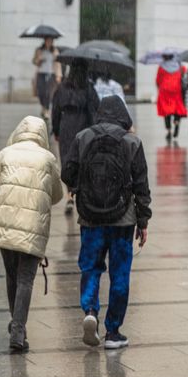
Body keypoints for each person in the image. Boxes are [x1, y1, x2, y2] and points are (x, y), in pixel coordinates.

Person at [62, 96, 152, 350]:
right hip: (123, 219)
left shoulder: (83, 137)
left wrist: (81, 187)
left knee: (91, 267)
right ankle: (113, 332)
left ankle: (90, 309)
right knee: (119, 274)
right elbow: (142, 185)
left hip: (90, 218)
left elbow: (66, 173)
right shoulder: (132, 142)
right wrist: (143, 220)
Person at [0, 116, 64, 352]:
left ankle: (17, 326)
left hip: (5, 224)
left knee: (12, 276)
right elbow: (57, 195)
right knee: (26, 279)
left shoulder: (5, 153)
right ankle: (18, 329)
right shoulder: (48, 159)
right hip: (33, 226)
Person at [51, 60, 99, 214]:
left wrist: (56, 130)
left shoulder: (61, 88)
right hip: (84, 126)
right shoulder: (89, 88)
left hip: (66, 126)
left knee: (67, 160)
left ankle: (70, 195)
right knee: (84, 160)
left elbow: (55, 111)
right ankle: (82, 192)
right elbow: (94, 109)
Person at [155, 54, 186, 141]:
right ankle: (176, 122)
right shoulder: (179, 66)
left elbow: (158, 80)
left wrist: (159, 87)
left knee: (167, 111)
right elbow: (184, 74)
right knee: (177, 109)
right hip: (176, 90)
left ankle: (169, 131)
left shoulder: (161, 67)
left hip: (165, 91)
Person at [32, 38, 60, 119]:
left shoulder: (54, 50)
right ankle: (43, 107)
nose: (49, 42)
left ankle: (47, 110)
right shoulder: (39, 50)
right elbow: (34, 61)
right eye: (48, 41)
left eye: (50, 41)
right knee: (40, 92)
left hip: (51, 73)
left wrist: (58, 75)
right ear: (45, 41)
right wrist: (39, 59)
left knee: (48, 92)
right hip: (41, 73)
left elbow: (58, 64)